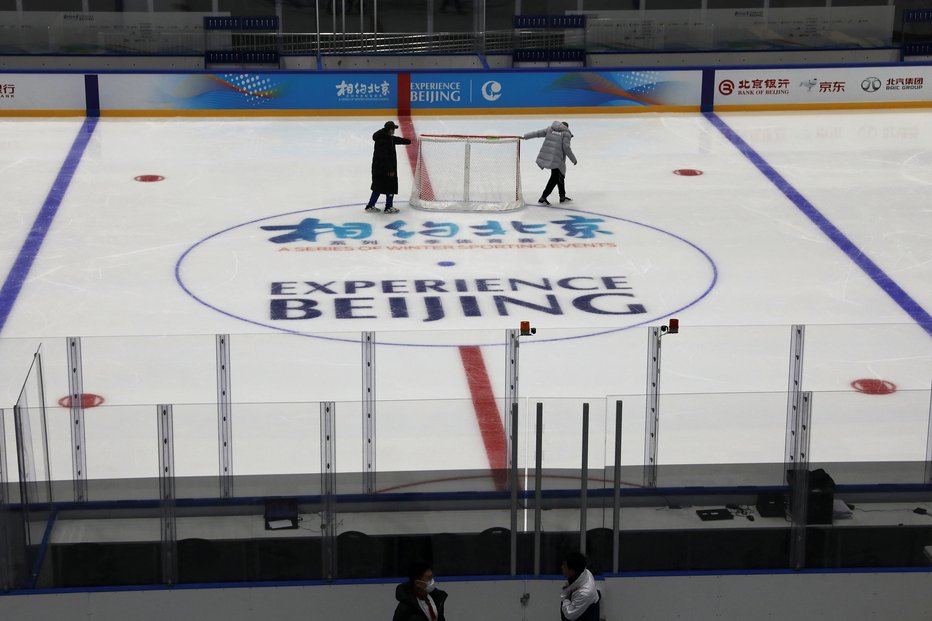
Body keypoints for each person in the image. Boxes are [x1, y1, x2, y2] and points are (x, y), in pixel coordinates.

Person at [522, 121, 577, 205]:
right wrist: (573, 159)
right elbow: (566, 148)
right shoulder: (566, 133)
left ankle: (562, 196)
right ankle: (543, 197)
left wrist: (525, 136)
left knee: (560, 176)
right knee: (555, 178)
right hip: (558, 160)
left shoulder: (550, 129)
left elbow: (537, 133)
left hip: (550, 157)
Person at [366, 120, 411, 214]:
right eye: (393, 129)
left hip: (379, 168)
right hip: (384, 169)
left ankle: (370, 205)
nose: (394, 130)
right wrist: (390, 169)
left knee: (377, 187)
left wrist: (408, 141)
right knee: (391, 186)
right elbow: (385, 157)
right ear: (390, 130)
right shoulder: (384, 141)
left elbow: (396, 139)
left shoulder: (386, 137)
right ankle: (388, 207)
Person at [559, 552, 600, 621]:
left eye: (564, 566)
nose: (562, 567)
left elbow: (569, 615)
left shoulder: (584, 593)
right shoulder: (585, 572)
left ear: (572, 571)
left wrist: (566, 595)